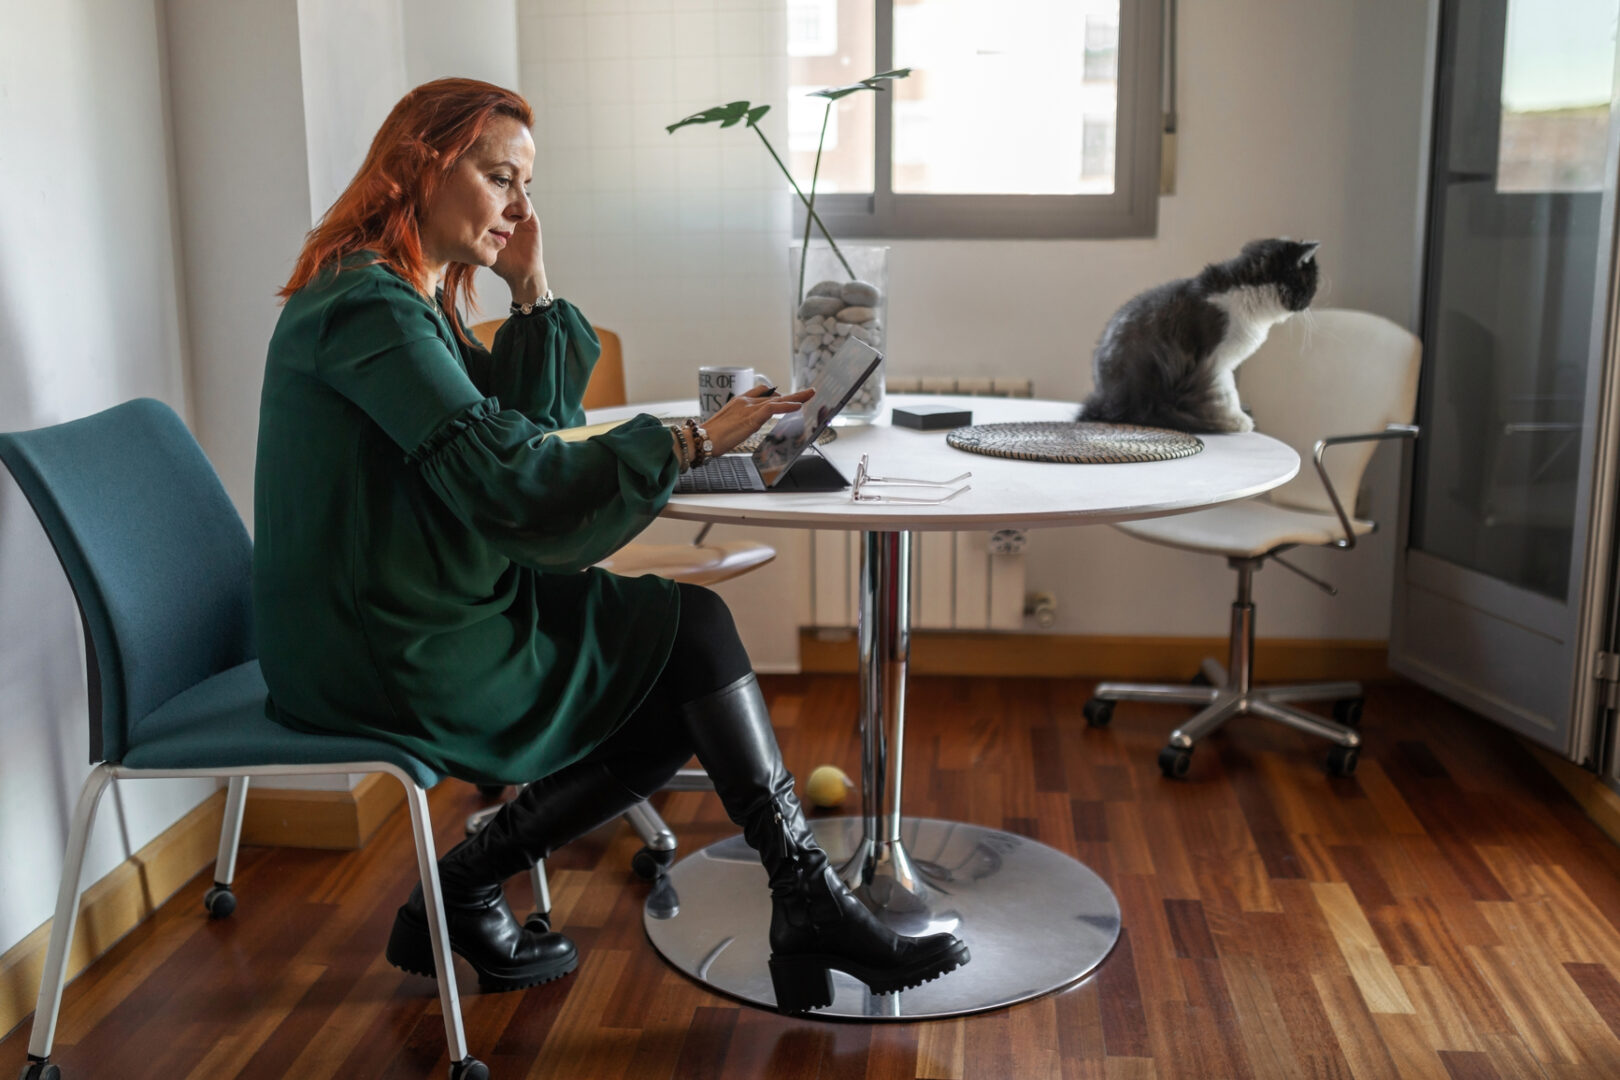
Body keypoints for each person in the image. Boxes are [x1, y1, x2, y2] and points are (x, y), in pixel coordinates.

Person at [253, 77, 968, 1013]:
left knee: (680, 647)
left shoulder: (405, 297)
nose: (520, 206)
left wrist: (533, 287)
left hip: (424, 599)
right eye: (500, 176)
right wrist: (697, 441)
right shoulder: (365, 307)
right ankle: (798, 902)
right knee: (682, 647)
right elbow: (513, 481)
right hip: (382, 642)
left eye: (526, 186)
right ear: (419, 165)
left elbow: (530, 431)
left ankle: (493, 886)